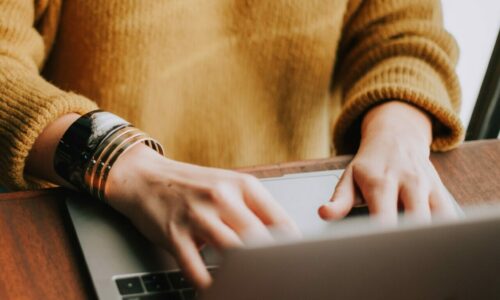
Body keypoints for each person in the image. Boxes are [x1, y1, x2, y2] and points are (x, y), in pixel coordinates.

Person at [0, 0, 464, 289]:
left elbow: (406, 31)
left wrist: (399, 134)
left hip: (306, 216)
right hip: (97, 210)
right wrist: (122, 162)